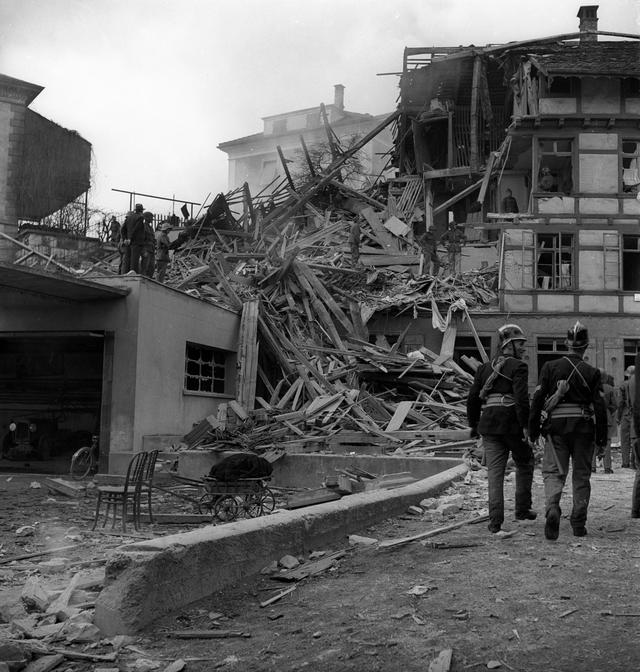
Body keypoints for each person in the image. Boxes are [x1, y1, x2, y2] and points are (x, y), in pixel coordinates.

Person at [529, 321, 607, 540]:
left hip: (556, 428)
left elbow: (537, 399)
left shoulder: (550, 367)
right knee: (581, 475)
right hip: (583, 429)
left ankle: (553, 507)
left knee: (554, 472)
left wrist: (533, 430)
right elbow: (599, 407)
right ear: (586, 346)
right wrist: (601, 439)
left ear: (566, 343)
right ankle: (579, 520)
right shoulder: (591, 372)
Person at [467, 323, 536, 534]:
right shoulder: (518, 366)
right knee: (525, 461)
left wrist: (474, 425)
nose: (524, 348)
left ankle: (495, 522)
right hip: (512, 424)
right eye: (521, 344)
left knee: (494, 473)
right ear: (509, 345)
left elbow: (472, 399)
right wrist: (526, 426)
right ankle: (522, 509)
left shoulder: (483, 368)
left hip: (489, 424)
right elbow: (522, 399)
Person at [592, 369, 617, 474]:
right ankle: (607, 467)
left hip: (593, 417)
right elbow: (615, 405)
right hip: (606, 417)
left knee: (593, 443)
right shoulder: (610, 388)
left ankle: (592, 466)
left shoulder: (591, 388)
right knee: (607, 442)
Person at [617, 365, 636, 469]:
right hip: (636, 415)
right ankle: (634, 462)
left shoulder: (623, 385)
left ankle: (625, 463)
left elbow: (620, 403)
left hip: (625, 414)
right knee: (635, 439)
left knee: (624, 440)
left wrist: (618, 417)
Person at [120, 204, 145, 273]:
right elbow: (136, 229)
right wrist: (131, 238)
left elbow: (122, 229)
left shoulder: (129, 217)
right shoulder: (140, 218)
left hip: (128, 242)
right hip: (136, 242)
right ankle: (132, 277)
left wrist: (125, 239)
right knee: (134, 261)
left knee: (127, 260)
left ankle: (125, 275)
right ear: (141, 211)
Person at [141, 212, 156, 278]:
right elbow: (141, 239)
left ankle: (149, 280)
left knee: (152, 267)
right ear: (146, 218)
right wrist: (144, 250)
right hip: (146, 249)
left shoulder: (150, 228)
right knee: (145, 267)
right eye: (151, 218)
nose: (152, 219)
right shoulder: (143, 227)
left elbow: (153, 238)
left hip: (151, 249)